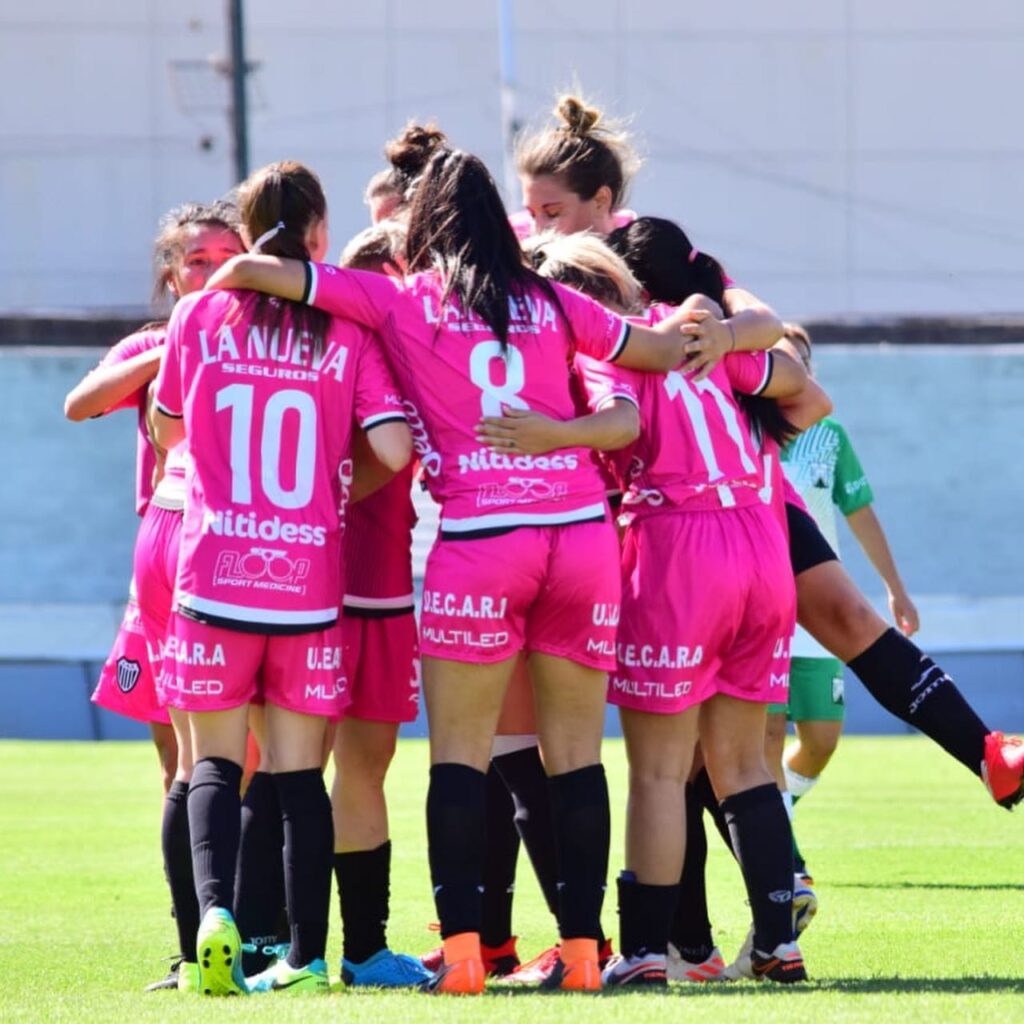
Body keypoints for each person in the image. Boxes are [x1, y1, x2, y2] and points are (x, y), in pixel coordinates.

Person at [207, 139, 717, 995]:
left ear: (426, 224)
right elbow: (656, 356)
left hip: (484, 542)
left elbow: (269, 279)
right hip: (581, 536)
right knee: (576, 759)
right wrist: (710, 332)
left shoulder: (404, 300)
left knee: (459, 758)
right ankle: (587, 957)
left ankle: (469, 960)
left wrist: (233, 277)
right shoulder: (555, 302)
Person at [496, 231, 809, 986]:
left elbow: (621, 426)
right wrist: (734, 333)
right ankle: (778, 944)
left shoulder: (608, 352)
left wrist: (551, 437)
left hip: (677, 545)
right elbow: (805, 387)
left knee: (661, 771)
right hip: (761, 546)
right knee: (741, 763)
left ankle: (642, 954)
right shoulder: (696, 331)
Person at [151, 160, 412, 997]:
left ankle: (214, 927)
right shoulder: (347, 330)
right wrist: (334, 487)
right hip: (306, 581)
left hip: (214, 574)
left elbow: (167, 428)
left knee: (215, 767)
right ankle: (305, 956)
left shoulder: (199, 315)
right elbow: (397, 450)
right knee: (302, 777)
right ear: (319, 233)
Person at [64, 200, 245, 992]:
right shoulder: (158, 341)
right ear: (170, 275)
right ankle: (191, 946)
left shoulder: (259, 339)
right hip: (166, 567)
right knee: (180, 763)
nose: (210, 276)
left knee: (250, 762)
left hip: (246, 561)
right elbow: (81, 402)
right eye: (195, 263)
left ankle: (261, 937)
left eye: (224, 259)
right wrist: (172, 345)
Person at [325, 222, 431, 988]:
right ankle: (296, 948)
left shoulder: (392, 362)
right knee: (293, 772)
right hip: (320, 594)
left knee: (347, 772)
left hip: (372, 595)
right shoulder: (364, 360)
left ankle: (347, 950)